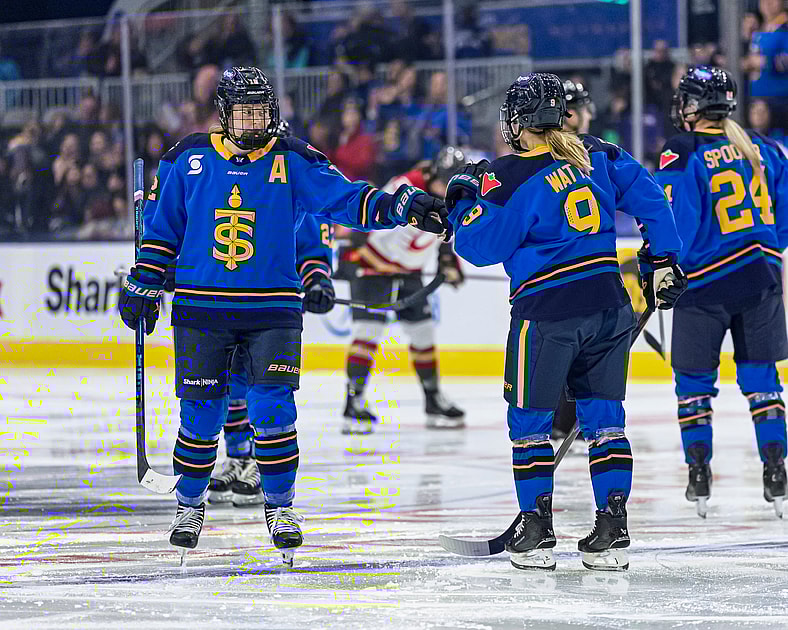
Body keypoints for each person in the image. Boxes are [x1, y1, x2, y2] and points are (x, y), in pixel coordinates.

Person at [117, 67, 449, 565]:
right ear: (224, 113)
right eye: (244, 110)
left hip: (272, 309)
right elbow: (164, 228)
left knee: (272, 411)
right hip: (200, 309)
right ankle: (189, 504)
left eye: (261, 110)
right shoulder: (188, 157)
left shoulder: (291, 159)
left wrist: (399, 204)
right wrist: (144, 279)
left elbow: (346, 200)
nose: (254, 120)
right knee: (200, 416)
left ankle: (280, 507)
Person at [445, 73, 685, 571]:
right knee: (604, 421)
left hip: (548, 313)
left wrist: (463, 203)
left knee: (530, 424)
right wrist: (662, 259)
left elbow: (480, 247)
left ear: (518, 122)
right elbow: (653, 200)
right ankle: (613, 528)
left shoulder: (507, 175)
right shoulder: (596, 153)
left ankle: (535, 531)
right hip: (609, 304)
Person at [654, 66, 788, 519]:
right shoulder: (766, 148)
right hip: (762, 279)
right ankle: (776, 470)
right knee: (762, 381)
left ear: (692, 105)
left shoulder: (682, 150)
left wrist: (659, 262)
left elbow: (677, 222)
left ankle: (699, 473)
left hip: (703, 284)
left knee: (693, 386)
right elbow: (782, 220)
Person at [208, 120, 336, 507]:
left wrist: (317, 282)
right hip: (227, 303)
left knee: (261, 389)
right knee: (229, 384)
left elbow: (312, 246)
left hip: (270, 306)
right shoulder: (227, 179)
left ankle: (261, 466)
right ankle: (237, 457)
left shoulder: (292, 182)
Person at [340, 146, 467, 435]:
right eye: (446, 182)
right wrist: (358, 258)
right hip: (372, 268)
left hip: (407, 271)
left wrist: (448, 260)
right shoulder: (405, 189)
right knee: (367, 334)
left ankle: (433, 399)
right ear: (434, 173)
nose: (450, 191)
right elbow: (371, 223)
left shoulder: (450, 196)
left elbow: (445, 232)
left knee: (423, 332)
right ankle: (353, 402)